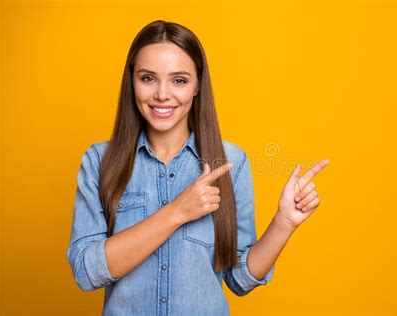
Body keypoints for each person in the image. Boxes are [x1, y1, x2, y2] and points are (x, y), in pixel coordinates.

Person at [66, 19, 329, 316]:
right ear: (131, 82)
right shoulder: (99, 161)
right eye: (148, 78)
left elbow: (240, 279)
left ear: (197, 86)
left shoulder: (230, 162)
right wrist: (177, 212)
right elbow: (87, 272)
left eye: (179, 80)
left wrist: (284, 222)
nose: (162, 94)